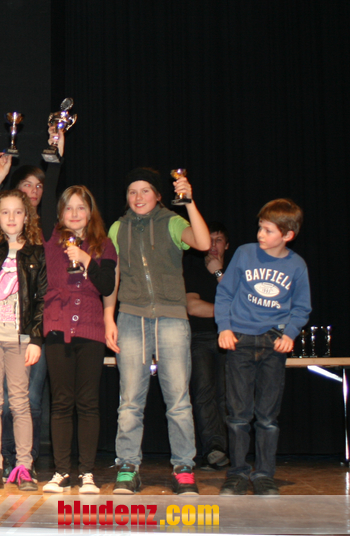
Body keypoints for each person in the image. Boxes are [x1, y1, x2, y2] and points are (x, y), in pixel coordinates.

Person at [108, 168, 210, 495]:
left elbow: (204, 243)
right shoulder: (118, 228)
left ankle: (183, 467)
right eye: (132, 191)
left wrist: (189, 202)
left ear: (158, 195)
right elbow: (112, 277)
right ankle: (127, 466)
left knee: (178, 399)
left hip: (171, 318)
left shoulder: (172, 222)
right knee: (129, 400)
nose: (138, 197)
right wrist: (109, 317)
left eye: (145, 190)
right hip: (131, 317)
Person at [216, 199, 311, 497]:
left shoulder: (296, 265)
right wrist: (224, 327)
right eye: (260, 227)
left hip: (273, 342)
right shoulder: (244, 253)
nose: (260, 234)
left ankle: (264, 475)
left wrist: (290, 333)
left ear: (287, 235)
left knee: (268, 417)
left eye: (268, 230)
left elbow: (302, 307)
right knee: (238, 414)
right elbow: (225, 293)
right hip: (240, 339)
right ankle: (237, 473)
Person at [39, 186, 118, 494]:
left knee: (87, 402)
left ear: (90, 212)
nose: (74, 214)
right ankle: (60, 471)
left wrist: (87, 259)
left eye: (81, 208)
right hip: (57, 326)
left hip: (90, 328)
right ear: (60, 213)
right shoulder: (50, 240)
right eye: (68, 208)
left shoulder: (104, 245)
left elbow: (107, 285)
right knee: (60, 402)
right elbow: (47, 198)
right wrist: (53, 162)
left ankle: (86, 473)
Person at [0, 189, 46, 492]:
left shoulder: (36, 252)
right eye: (5, 212)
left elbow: (41, 299)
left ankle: (23, 466)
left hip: (20, 337)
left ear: (27, 216)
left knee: (20, 401)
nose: (11, 217)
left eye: (18, 212)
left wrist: (36, 339)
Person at [184, 222, 231, 471]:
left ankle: (231, 448)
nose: (213, 245)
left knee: (228, 395)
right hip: (200, 337)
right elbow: (193, 307)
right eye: (209, 239)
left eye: (219, 239)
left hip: (231, 338)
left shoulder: (234, 272)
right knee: (203, 393)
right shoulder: (191, 270)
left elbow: (245, 302)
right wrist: (230, 312)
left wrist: (218, 273)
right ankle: (214, 449)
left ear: (227, 245)